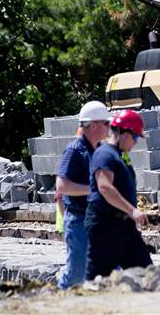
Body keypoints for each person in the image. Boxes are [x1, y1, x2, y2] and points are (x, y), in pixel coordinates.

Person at [85, 109, 151, 280]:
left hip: (124, 227)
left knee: (146, 274)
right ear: (124, 134)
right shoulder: (104, 154)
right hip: (105, 227)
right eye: (136, 137)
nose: (135, 142)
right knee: (98, 279)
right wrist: (132, 211)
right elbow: (105, 187)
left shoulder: (119, 155)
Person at [55, 101, 111, 289]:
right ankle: (56, 303)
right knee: (76, 273)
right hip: (79, 222)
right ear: (94, 125)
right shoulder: (75, 150)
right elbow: (62, 185)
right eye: (106, 123)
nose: (109, 128)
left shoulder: (100, 150)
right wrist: (92, 189)